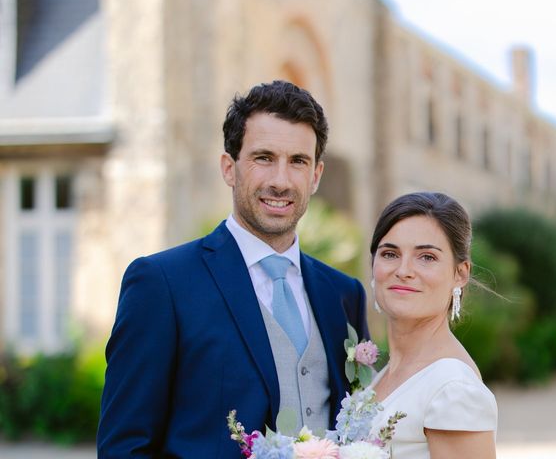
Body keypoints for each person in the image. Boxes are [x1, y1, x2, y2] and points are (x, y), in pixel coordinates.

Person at [97, 80, 369, 458]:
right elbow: (123, 447)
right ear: (229, 168)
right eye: (263, 158)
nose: (280, 180)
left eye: (298, 161)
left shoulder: (343, 294)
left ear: (316, 175)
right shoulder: (161, 284)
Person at [368, 192, 497, 459]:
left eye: (426, 257)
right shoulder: (385, 375)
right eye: (390, 254)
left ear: (460, 274)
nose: (403, 270)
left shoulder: (454, 389)